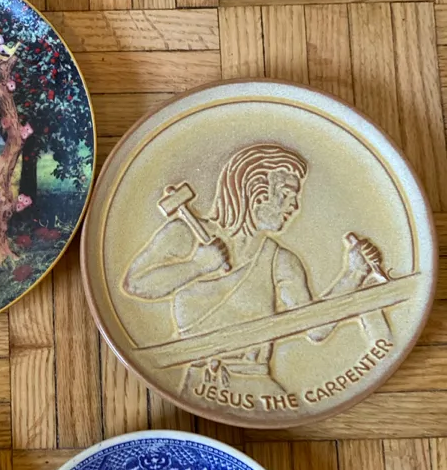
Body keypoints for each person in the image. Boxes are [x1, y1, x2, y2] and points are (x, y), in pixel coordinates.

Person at [123, 143, 385, 398]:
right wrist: (197, 266)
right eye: (286, 194)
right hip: (203, 386)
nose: (294, 205)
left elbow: (315, 329)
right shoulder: (186, 234)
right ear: (255, 191)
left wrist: (354, 273)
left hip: (258, 388)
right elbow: (135, 284)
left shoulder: (280, 261)